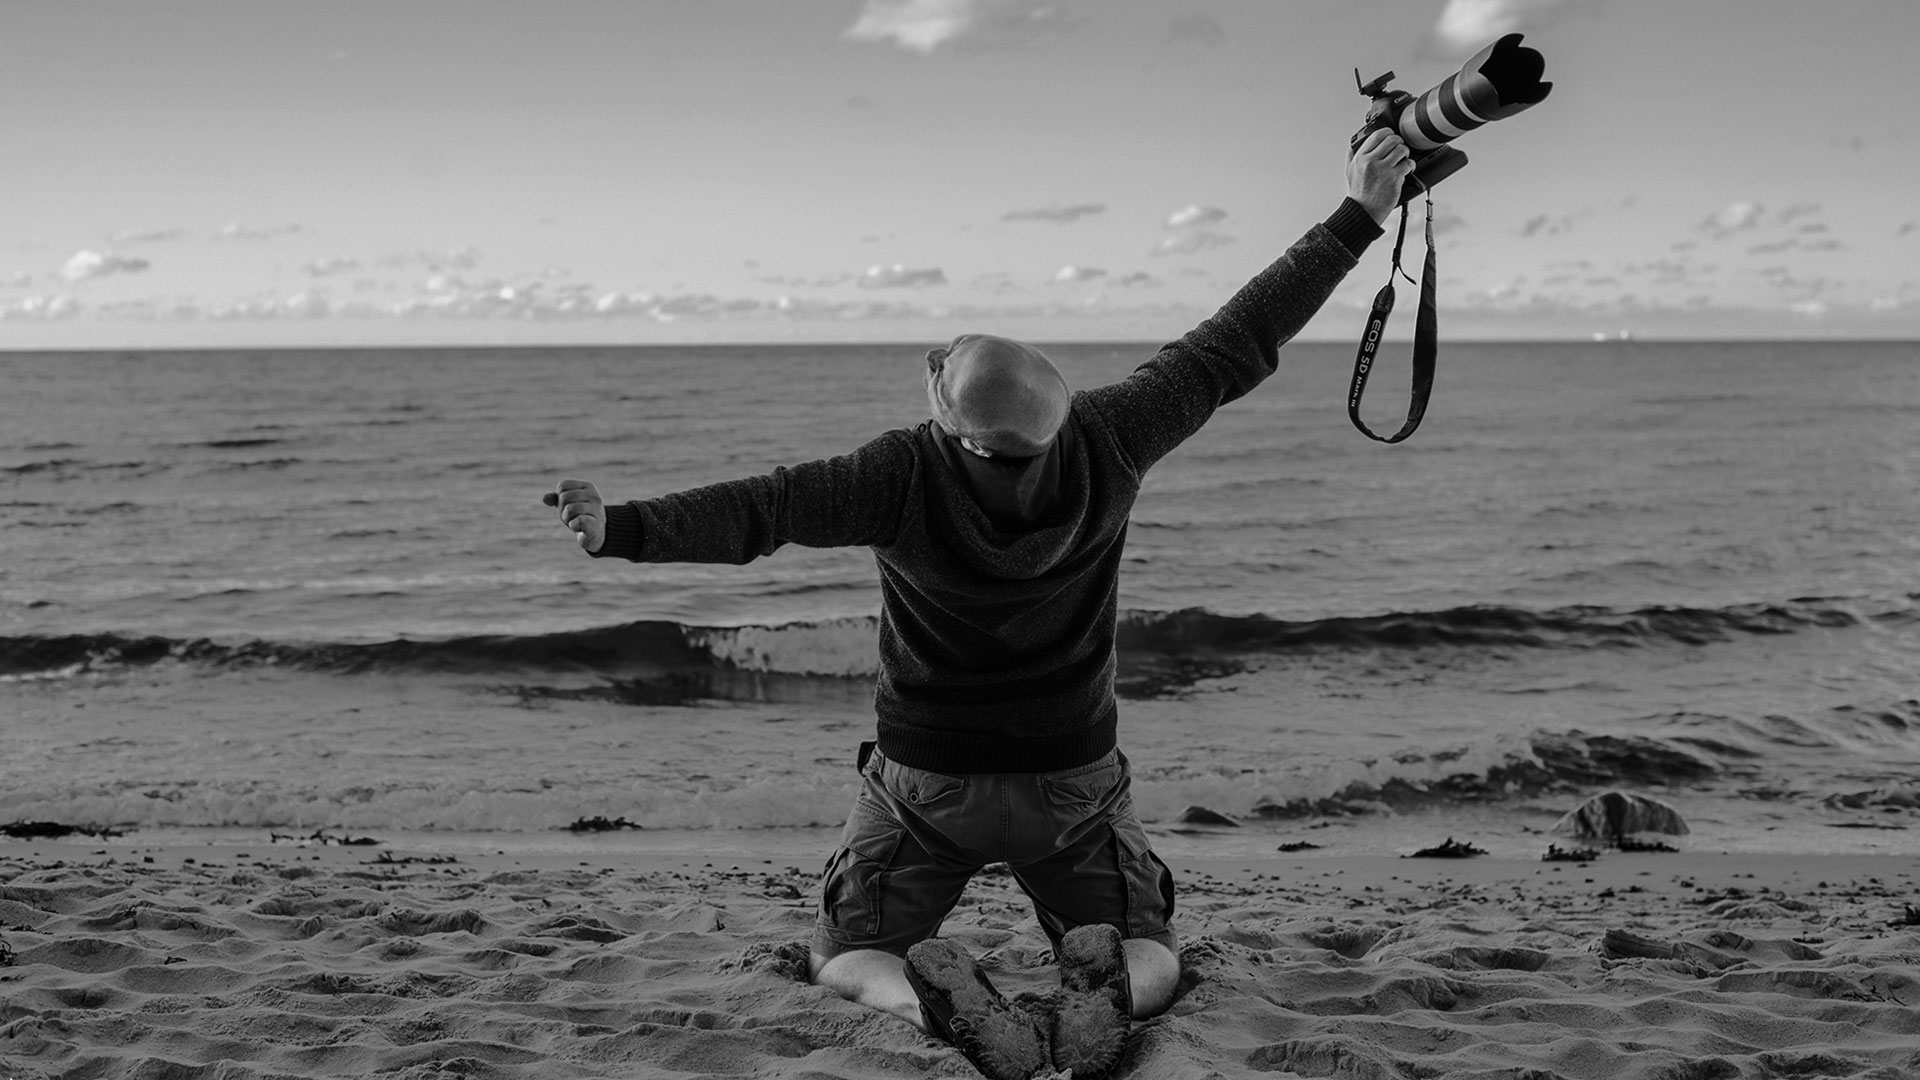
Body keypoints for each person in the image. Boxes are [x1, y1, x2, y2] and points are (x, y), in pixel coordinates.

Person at [548, 130, 1414, 1080]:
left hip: (929, 782)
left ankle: (923, 1002)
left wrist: (623, 527)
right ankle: (1107, 994)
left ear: (960, 433)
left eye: (943, 369)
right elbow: (1238, 338)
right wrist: (1359, 213)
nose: (934, 363)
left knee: (842, 957)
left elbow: (764, 509)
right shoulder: (1113, 434)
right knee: (1152, 948)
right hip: (1070, 776)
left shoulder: (900, 472)